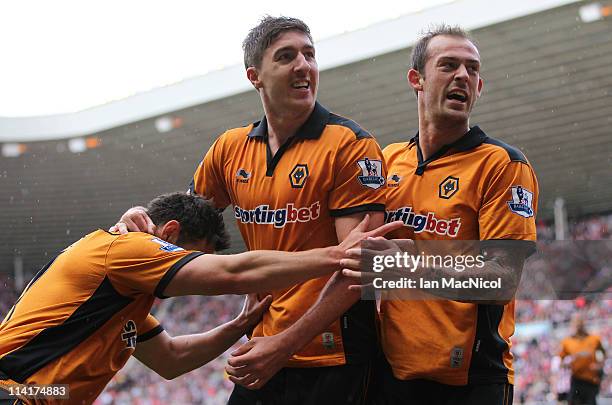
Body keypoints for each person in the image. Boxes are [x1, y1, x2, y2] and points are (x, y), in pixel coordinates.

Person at [114, 16, 388, 405]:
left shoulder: (350, 145)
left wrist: (283, 345)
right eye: (287, 56)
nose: (304, 65)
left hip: (334, 355)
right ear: (255, 75)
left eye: (309, 54)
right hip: (263, 348)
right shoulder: (230, 148)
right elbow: (182, 228)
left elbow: (361, 268)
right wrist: (138, 223)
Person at [0, 192, 399, 405]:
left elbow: (172, 359)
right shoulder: (125, 249)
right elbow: (231, 273)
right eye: (192, 255)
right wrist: (338, 254)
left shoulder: (124, 300)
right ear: (169, 234)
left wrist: (240, 325)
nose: (194, 267)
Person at [340, 25, 539, 404]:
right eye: (448, 65)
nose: (462, 76)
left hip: (471, 380)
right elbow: (352, 254)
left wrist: (409, 266)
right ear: (417, 79)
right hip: (390, 374)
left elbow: (502, 281)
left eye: (472, 69)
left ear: (479, 88)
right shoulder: (388, 160)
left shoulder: (503, 165)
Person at [558, 314, 606, 405]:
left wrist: (599, 365)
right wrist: (568, 365)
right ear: (572, 325)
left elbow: (603, 353)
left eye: (580, 321)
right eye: (576, 322)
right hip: (576, 379)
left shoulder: (594, 339)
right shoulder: (567, 342)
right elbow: (560, 360)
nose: (578, 324)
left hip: (591, 380)